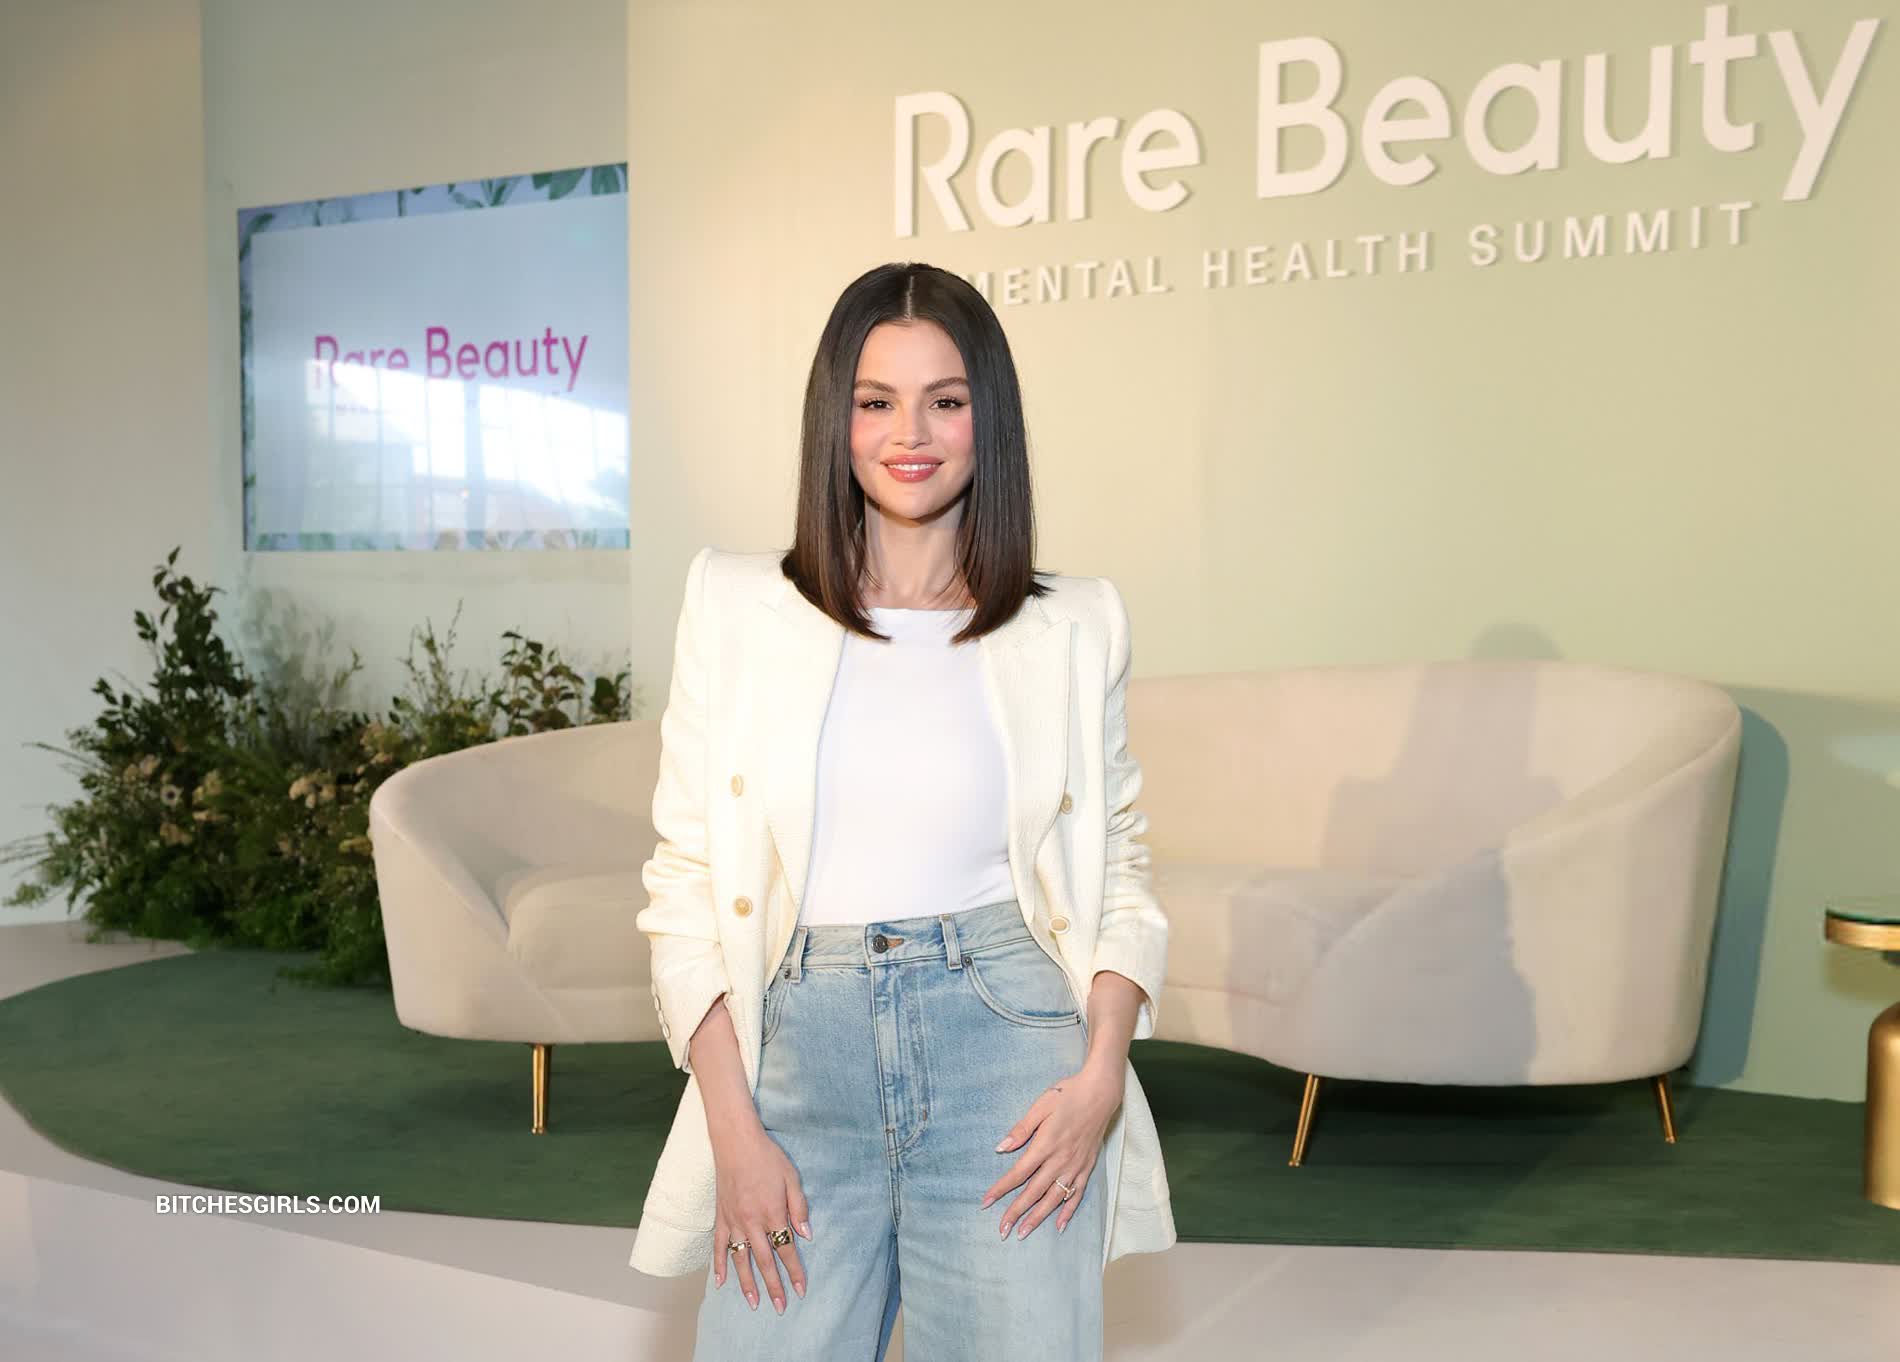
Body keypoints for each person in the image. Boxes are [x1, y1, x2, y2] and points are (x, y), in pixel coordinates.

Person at [629, 261, 1176, 1360]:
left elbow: (1119, 869)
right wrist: (734, 1132)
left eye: (946, 400)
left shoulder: (1077, 625)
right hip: (793, 1060)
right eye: (875, 401)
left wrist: (1098, 1082)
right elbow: (683, 884)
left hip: (1009, 1064)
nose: (909, 434)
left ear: (989, 418)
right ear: (834, 419)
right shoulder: (735, 605)